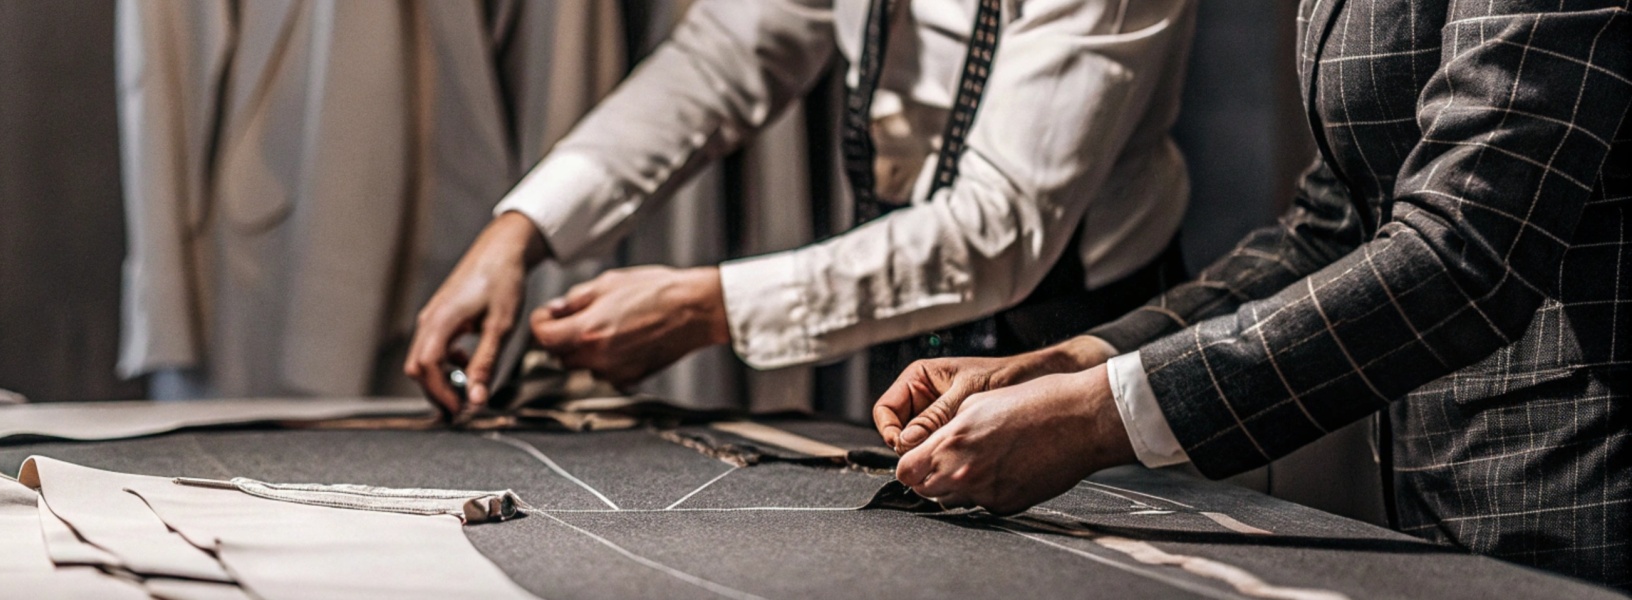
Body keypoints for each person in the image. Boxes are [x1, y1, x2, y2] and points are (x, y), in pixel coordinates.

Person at [874, 0, 1632, 589]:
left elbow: (1465, 252)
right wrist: (1070, 363)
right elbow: (1335, 222)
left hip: (1586, 509)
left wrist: (1096, 417)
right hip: (1432, 501)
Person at [405, 0, 1198, 417]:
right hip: (900, 308)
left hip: (1082, 327)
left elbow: (998, 229)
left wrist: (703, 308)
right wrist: (523, 228)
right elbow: (721, 58)